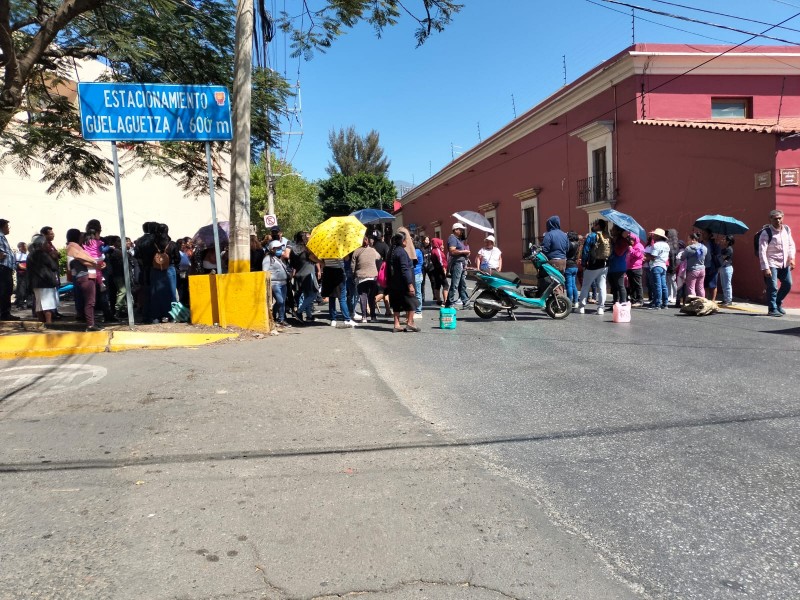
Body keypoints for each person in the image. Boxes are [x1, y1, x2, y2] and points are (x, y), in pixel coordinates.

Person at [758, 209, 796, 316]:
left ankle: (778, 302)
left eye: (780, 218)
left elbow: (790, 245)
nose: (778, 221)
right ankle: (772, 308)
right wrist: (765, 267)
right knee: (773, 286)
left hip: (784, 263)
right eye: (775, 219)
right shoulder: (766, 233)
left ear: (782, 218)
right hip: (771, 263)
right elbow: (762, 251)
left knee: (788, 284)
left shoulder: (787, 230)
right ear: (770, 219)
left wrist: (791, 258)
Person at [66, 228, 102, 331]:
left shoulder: (74, 248)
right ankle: (90, 325)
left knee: (89, 301)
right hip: (85, 276)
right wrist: (95, 264)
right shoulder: (74, 248)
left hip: (84, 275)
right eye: (81, 236)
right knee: (90, 301)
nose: (83, 237)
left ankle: (91, 323)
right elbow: (83, 260)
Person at [148, 223, 181, 323]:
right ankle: (173, 316)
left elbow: (148, 258)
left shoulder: (152, 244)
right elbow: (177, 258)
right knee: (171, 293)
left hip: (155, 270)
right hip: (169, 269)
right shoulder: (172, 244)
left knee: (156, 293)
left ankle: (156, 317)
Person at [576, 219, 609, 315]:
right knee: (602, 286)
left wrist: (584, 263)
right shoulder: (607, 236)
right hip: (604, 265)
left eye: (595, 224)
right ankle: (601, 308)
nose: (593, 226)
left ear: (598, 226)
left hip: (592, 265)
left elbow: (585, 251)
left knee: (585, 286)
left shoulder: (591, 236)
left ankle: (582, 307)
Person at [388, 232, 418, 332]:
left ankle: (396, 324)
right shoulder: (401, 252)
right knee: (412, 301)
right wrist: (410, 284)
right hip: (403, 282)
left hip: (394, 282)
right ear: (403, 241)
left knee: (396, 303)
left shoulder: (392, 251)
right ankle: (409, 322)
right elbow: (405, 269)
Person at [26, 234, 59, 326]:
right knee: (47, 303)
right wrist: (54, 257)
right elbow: (54, 267)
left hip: (35, 283)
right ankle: (48, 322)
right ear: (42, 244)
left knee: (39, 304)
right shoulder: (43, 254)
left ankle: (41, 321)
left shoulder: (30, 255)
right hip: (46, 281)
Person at [289, 231, 319, 324]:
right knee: (313, 294)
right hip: (309, 274)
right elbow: (314, 259)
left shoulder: (293, 249)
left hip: (299, 274)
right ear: (304, 238)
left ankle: (309, 315)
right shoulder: (307, 248)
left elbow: (292, 264)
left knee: (306, 295)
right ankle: (299, 311)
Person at [351, 235, 380, 323]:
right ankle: (373, 317)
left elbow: (353, 266)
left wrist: (354, 275)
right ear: (367, 241)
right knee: (371, 297)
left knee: (363, 297)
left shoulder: (356, 252)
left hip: (361, 277)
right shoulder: (372, 250)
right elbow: (378, 257)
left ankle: (364, 317)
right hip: (372, 276)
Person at [263, 240, 291, 327]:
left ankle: (280, 318)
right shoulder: (268, 259)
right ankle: (279, 318)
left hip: (283, 283)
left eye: (280, 248)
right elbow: (265, 272)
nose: (280, 249)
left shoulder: (278, 258)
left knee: (282, 302)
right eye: (278, 248)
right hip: (275, 283)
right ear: (272, 249)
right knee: (280, 301)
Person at [321, 257, 355, 327]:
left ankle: (333, 319)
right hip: (339, 272)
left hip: (328, 272)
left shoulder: (325, 248)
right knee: (342, 298)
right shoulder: (340, 248)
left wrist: (323, 263)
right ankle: (347, 319)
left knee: (331, 297)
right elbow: (346, 259)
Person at [445, 223, 471, 309]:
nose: (462, 231)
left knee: (462, 284)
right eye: (461, 229)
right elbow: (452, 251)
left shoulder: (459, 239)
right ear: (456, 230)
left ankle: (465, 301)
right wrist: (464, 252)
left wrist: (465, 253)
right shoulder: (452, 238)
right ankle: (449, 303)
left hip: (461, 263)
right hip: (457, 263)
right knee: (455, 284)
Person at [644, 228, 671, 310]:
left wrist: (646, 256)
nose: (653, 236)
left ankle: (657, 304)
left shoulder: (656, 245)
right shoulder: (666, 245)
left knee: (657, 285)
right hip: (663, 265)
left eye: (655, 235)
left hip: (656, 266)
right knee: (663, 285)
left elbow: (653, 257)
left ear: (658, 236)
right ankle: (665, 303)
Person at [0, 219, 19, 321]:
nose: (9, 228)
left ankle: (5, 313)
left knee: (7, 290)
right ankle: (4, 314)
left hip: (6, 268)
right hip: (2, 267)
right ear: (2, 227)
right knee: (4, 291)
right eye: (7, 226)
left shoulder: (3, 238)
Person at [607, 225, 629, 304]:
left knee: (620, 285)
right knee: (614, 286)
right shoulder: (615, 240)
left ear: (618, 231)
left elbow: (619, 253)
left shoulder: (622, 241)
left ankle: (623, 302)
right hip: (612, 266)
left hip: (619, 266)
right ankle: (615, 303)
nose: (611, 230)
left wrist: (613, 244)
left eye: (613, 229)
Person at [683, 232, 707, 298]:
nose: (687, 241)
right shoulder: (704, 247)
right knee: (700, 287)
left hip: (692, 270)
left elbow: (682, 257)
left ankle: (693, 303)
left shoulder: (689, 248)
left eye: (688, 239)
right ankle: (703, 302)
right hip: (702, 269)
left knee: (691, 287)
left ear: (693, 239)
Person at [626, 233, 645, 307]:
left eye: (632, 239)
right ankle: (633, 299)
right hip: (629, 268)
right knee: (631, 285)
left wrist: (631, 249)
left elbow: (638, 255)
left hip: (636, 268)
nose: (630, 241)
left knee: (638, 285)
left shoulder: (639, 246)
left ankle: (640, 300)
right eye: (629, 239)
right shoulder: (631, 246)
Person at [429, 237, 449, 306]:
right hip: (440, 269)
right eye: (441, 243)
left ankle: (438, 300)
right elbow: (441, 260)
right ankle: (445, 301)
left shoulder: (433, 250)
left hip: (435, 270)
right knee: (445, 285)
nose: (442, 244)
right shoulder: (437, 250)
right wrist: (444, 269)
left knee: (437, 285)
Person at [718, 235, 735, 307]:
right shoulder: (723, 249)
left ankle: (729, 300)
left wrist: (719, 255)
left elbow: (723, 257)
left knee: (727, 284)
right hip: (722, 267)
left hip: (727, 267)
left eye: (724, 239)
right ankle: (725, 299)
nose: (722, 240)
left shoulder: (729, 249)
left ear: (728, 241)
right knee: (723, 284)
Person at [564, 232, 580, 305]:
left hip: (569, 265)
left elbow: (565, 252)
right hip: (575, 266)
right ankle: (576, 301)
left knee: (569, 285)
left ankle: (569, 301)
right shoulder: (577, 244)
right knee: (574, 285)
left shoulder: (569, 244)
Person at [14, 241, 29, 309]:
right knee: (21, 289)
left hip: (28, 273)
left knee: (29, 288)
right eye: (23, 246)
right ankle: (20, 304)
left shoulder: (27, 255)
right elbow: (18, 265)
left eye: (26, 246)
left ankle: (30, 303)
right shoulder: (17, 255)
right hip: (21, 273)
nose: (25, 248)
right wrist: (25, 268)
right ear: (20, 248)